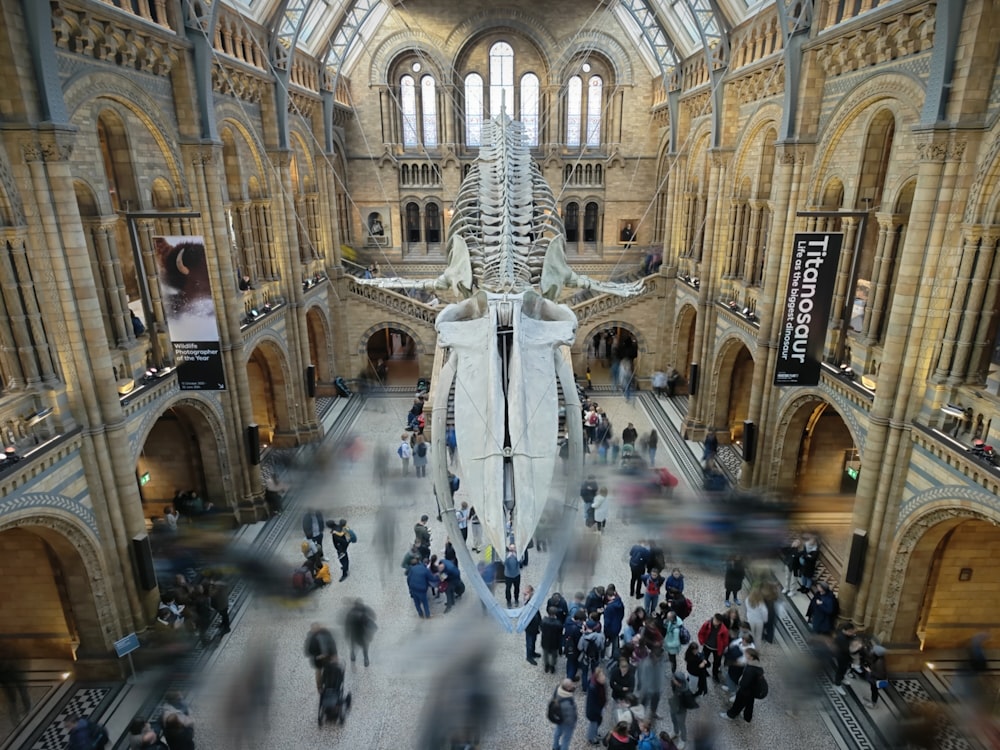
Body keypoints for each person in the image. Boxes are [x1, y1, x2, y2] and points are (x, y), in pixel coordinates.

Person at [720, 647, 764, 723]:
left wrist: (740, 685)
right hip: (752, 690)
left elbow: (744, 682)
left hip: (746, 690)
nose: (745, 655)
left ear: (751, 656)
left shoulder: (750, 669)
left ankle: (731, 715)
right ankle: (747, 717)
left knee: (738, 702)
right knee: (750, 703)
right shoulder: (756, 665)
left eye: (746, 654)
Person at [343, 598, 377, 667]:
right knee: (365, 646)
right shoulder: (364, 611)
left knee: (353, 644)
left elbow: (347, 624)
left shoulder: (351, 612)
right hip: (363, 632)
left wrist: (347, 633)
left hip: (354, 632)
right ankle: (366, 659)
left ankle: (353, 654)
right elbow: (373, 619)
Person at [697, 614, 730, 683]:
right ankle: (704, 671)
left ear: (720, 622)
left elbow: (725, 641)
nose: (715, 622)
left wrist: (723, 648)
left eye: (717, 621)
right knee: (704, 659)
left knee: (716, 663)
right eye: (715, 620)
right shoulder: (707, 624)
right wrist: (702, 641)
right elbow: (701, 633)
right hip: (707, 646)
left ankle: (715, 674)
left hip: (717, 649)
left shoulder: (724, 630)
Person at [304, 623, 337, 690]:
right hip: (317, 658)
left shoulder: (326, 633)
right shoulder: (310, 636)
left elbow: (332, 643)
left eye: (316, 628)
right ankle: (320, 687)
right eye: (313, 628)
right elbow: (308, 649)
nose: (315, 630)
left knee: (329, 669)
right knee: (318, 671)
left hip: (327, 656)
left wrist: (334, 654)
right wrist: (316, 655)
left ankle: (329, 685)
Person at [667, 670, 693, 749]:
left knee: (681, 724)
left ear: (679, 682)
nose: (672, 679)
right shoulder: (674, 684)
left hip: (681, 709)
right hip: (674, 705)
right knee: (673, 719)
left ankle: (683, 739)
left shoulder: (686, 691)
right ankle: (675, 731)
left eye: (674, 679)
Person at [551, 679, 578, 750]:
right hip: (566, 722)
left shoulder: (558, 689)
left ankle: (555, 746)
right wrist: (573, 725)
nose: (573, 685)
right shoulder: (567, 702)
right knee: (566, 739)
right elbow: (570, 717)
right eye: (571, 685)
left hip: (559, 718)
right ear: (567, 688)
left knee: (557, 732)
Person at [604, 585, 626, 659]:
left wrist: (605, 631)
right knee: (615, 641)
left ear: (608, 596)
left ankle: (604, 654)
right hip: (617, 625)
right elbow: (622, 614)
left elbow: (607, 622)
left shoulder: (609, 608)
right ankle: (615, 656)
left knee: (608, 639)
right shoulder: (620, 603)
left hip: (610, 628)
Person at [541, 606, 564, 674]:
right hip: (555, 642)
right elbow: (560, 633)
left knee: (545, 654)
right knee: (554, 655)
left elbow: (541, 628)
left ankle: (546, 665)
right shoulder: (558, 623)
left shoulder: (544, 621)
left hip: (545, 641)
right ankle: (552, 666)